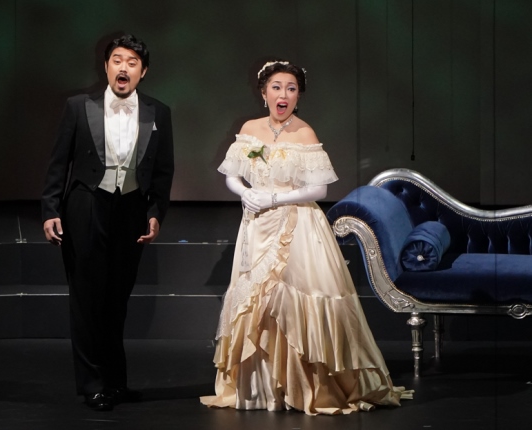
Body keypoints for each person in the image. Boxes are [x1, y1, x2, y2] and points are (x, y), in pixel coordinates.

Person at [200, 61, 411, 415]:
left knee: (295, 299)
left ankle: (307, 386)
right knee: (257, 302)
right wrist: (245, 192)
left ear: (298, 96)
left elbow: (319, 188)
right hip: (256, 226)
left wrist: (274, 197)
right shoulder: (250, 129)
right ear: (264, 92)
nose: (283, 94)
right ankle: (262, 389)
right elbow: (232, 174)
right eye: (277, 87)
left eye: (291, 88)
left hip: (296, 224)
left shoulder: (305, 133)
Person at [41, 34, 174, 411]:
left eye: (132, 62)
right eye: (117, 60)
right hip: (85, 206)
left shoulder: (158, 112)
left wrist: (155, 213)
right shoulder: (78, 106)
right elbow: (58, 162)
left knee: (117, 299)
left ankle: (115, 381)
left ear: (143, 71)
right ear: (106, 66)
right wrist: (50, 209)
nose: (123, 68)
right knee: (87, 298)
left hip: (131, 209)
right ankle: (92, 384)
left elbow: (163, 171)